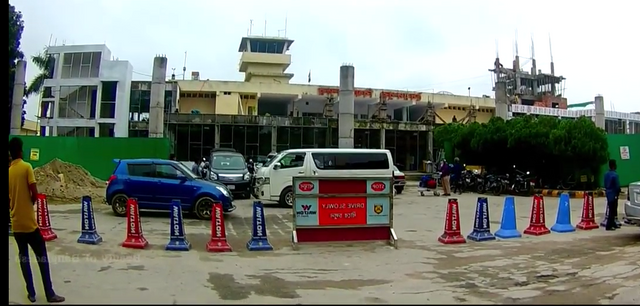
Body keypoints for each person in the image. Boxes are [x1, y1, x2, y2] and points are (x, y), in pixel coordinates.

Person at [9, 137, 65, 303]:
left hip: (16, 223)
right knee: (42, 257)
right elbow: (34, 193)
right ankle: (49, 293)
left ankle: (31, 293)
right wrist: (30, 202)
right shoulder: (27, 167)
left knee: (23, 257)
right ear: (20, 151)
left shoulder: (9, 172)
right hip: (29, 224)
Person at [603, 159, 622, 231]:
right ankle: (609, 225)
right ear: (614, 166)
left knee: (611, 208)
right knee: (612, 210)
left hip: (608, 192)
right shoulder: (615, 174)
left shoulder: (606, 174)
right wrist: (618, 191)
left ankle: (613, 223)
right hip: (614, 193)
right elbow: (617, 186)